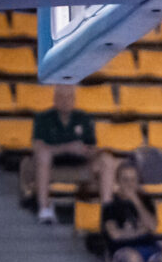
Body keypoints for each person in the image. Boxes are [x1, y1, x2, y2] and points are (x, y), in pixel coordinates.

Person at [24, 86, 114, 223]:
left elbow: (91, 147)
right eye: (61, 97)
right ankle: (44, 207)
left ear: (74, 100)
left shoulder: (84, 118)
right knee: (43, 155)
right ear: (55, 99)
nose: (65, 101)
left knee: (107, 160)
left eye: (69, 97)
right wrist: (66, 148)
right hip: (53, 165)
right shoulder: (43, 118)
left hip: (80, 164)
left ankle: (107, 210)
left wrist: (85, 150)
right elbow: (37, 148)